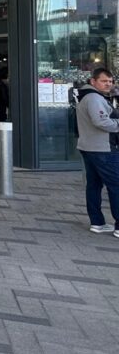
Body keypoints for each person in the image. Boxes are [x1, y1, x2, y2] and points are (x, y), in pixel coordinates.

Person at [75, 68, 119, 236]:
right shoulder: (94, 98)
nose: (108, 84)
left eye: (110, 81)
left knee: (93, 186)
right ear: (93, 81)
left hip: (90, 147)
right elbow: (101, 122)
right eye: (104, 81)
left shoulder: (88, 96)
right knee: (116, 186)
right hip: (103, 149)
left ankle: (97, 223)